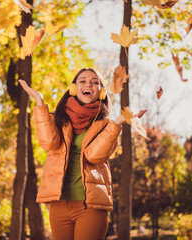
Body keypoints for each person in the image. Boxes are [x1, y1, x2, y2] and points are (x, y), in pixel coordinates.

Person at [19, 68, 126, 240]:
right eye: (82, 81)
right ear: (74, 88)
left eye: (94, 82)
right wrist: (39, 102)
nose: (88, 84)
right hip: (59, 204)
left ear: (101, 91)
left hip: (89, 205)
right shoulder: (58, 119)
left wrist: (118, 123)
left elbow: (94, 156)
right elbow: (48, 143)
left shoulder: (107, 126)